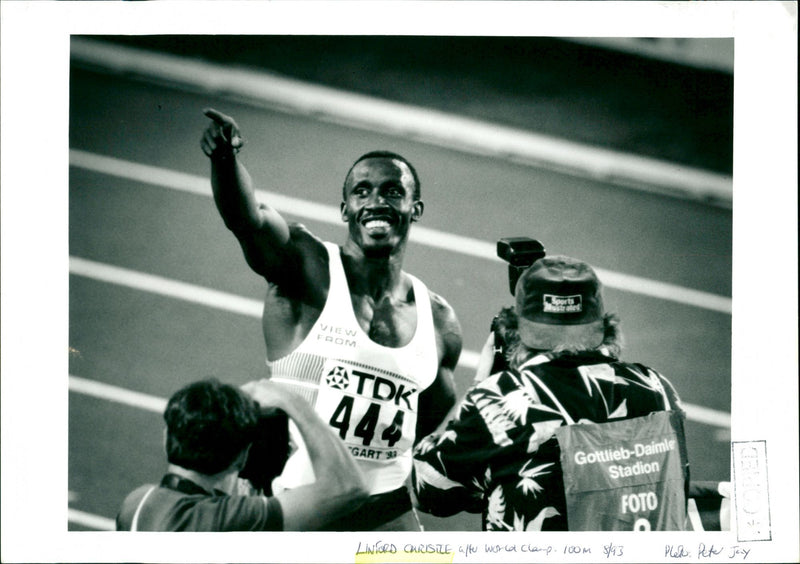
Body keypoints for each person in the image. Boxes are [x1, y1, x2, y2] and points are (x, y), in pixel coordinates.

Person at [200, 108, 462, 530]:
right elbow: (247, 220)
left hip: (384, 518)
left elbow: (427, 434)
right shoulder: (307, 268)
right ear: (345, 209)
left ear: (415, 209)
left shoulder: (439, 320)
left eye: (393, 191)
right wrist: (225, 161)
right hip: (299, 507)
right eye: (363, 191)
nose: (377, 201)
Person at [412, 255, 690, 531]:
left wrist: (481, 382)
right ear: (605, 326)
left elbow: (429, 490)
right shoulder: (657, 387)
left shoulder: (504, 397)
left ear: (513, 331)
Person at [116, 378, 367, 531]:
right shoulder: (231, 520)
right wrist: (293, 401)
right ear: (240, 458)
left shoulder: (136, 503)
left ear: (166, 438)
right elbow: (349, 488)